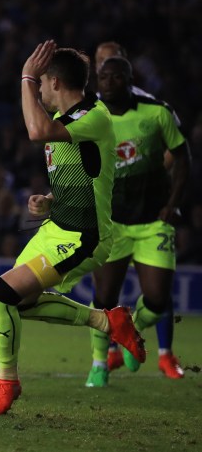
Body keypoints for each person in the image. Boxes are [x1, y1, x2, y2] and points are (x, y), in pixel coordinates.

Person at [0, 40, 145, 416]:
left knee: (1, 293)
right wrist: (48, 201)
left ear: (54, 82)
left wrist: (25, 74)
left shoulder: (94, 116)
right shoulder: (67, 122)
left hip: (84, 236)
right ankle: (107, 320)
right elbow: (91, 176)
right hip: (57, 226)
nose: (37, 90)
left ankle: (7, 381)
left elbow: (35, 131)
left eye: (41, 83)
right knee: (17, 303)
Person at [84, 54, 190, 386]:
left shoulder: (157, 112)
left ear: (130, 81)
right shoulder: (91, 118)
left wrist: (173, 204)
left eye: (117, 77)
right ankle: (99, 364)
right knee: (104, 298)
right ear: (97, 82)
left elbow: (184, 158)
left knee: (158, 299)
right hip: (111, 223)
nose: (109, 82)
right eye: (104, 77)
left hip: (152, 221)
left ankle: (134, 329)